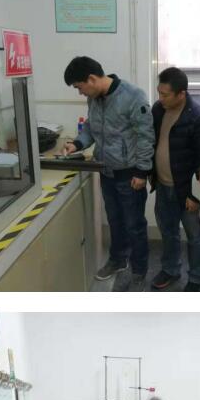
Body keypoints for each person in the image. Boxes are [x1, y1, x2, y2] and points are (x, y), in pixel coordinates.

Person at [64, 57, 155, 291]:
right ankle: (118, 260)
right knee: (114, 220)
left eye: (80, 87)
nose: (80, 93)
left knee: (134, 225)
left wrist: (142, 171)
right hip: (106, 170)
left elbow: (146, 136)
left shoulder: (133, 96)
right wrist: (77, 143)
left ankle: (139, 271)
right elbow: (91, 128)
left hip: (130, 174)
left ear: (91, 79)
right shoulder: (94, 98)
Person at [150, 68, 200, 292]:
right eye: (159, 92)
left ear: (181, 94)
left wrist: (194, 195)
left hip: (187, 191)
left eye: (165, 94)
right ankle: (170, 269)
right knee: (168, 232)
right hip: (163, 185)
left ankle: (196, 278)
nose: (160, 98)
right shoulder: (158, 109)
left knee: (194, 237)